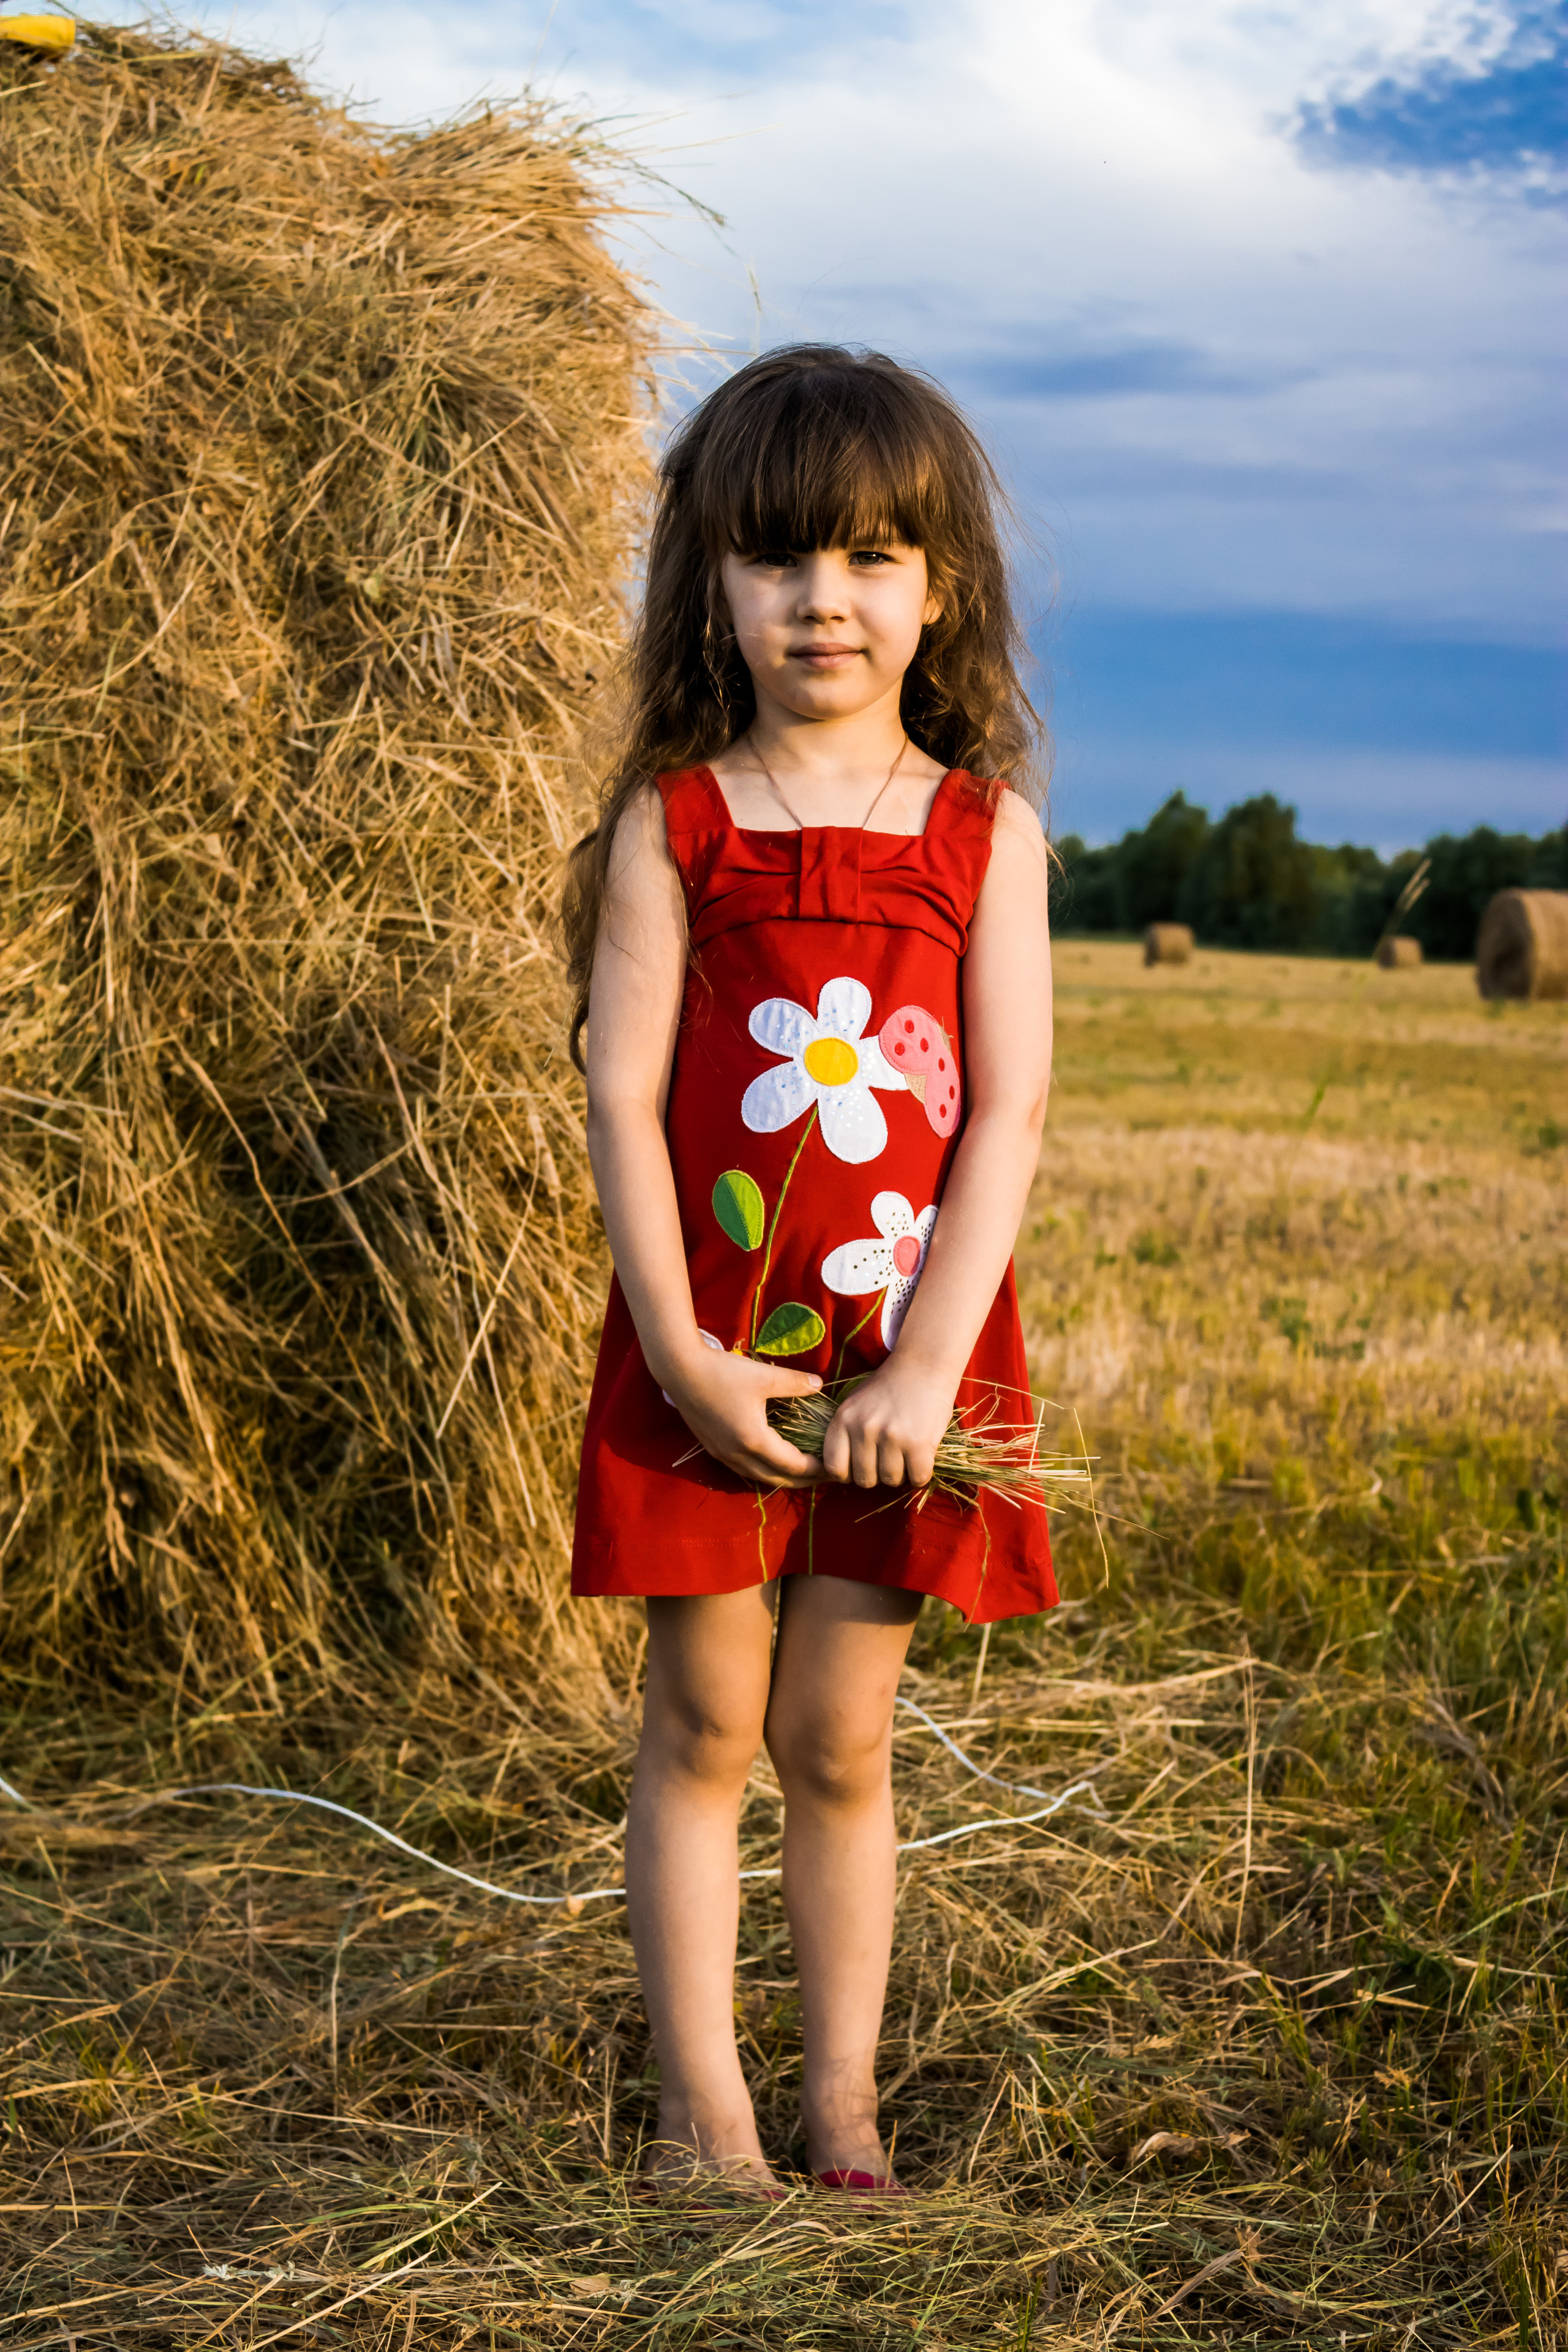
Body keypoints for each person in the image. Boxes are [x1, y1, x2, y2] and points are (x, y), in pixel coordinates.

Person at [561, 345, 1056, 2199]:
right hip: (712, 1355)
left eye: (868, 557)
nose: (821, 598)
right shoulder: (674, 822)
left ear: (941, 590)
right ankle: (706, 2117)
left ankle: (840, 2104)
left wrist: (926, 1371)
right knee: (704, 1724)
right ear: (713, 584)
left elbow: (1007, 1111)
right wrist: (683, 1356)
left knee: (838, 1738)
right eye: (775, 557)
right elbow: (621, 1098)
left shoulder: (984, 833)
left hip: (903, 1363)